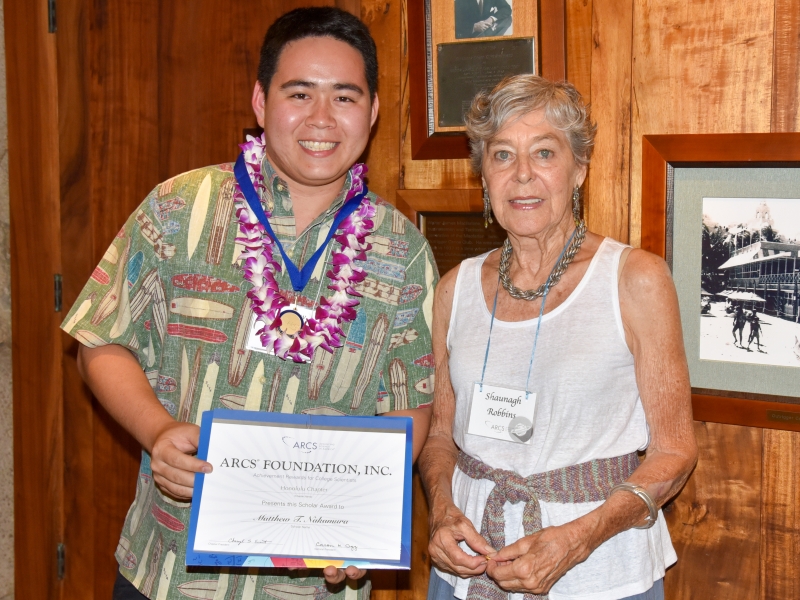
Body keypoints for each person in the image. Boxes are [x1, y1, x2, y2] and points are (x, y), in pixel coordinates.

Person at [61, 8, 437, 600]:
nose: (321, 119)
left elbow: (411, 401)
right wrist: (157, 431)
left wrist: (363, 518)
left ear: (373, 111)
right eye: (299, 93)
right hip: (169, 572)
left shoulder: (402, 250)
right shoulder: (181, 207)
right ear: (261, 103)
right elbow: (101, 343)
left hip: (316, 585)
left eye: (344, 96)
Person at [419, 75, 697, 600]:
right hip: (467, 573)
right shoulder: (454, 290)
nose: (522, 175)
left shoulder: (634, 279)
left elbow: (676, 451)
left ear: (579, 171)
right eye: (502, 156)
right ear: (484, 178)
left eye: (544, 152)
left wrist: (577, 540)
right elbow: (439, 436)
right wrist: (442, 511)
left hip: (598, 573)